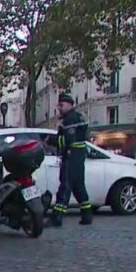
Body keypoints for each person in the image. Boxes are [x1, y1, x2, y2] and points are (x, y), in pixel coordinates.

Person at [51, 93, 91, 227]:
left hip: (71, 155)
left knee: (65, 185)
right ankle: (87, 216)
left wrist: (53, 141)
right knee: (79, 186)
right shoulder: (79, 116)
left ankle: (57, 217)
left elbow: (65, 140)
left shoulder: (69, 119)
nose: (59, 108)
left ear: (69, 105)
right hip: (79, 156)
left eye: (61, 105)